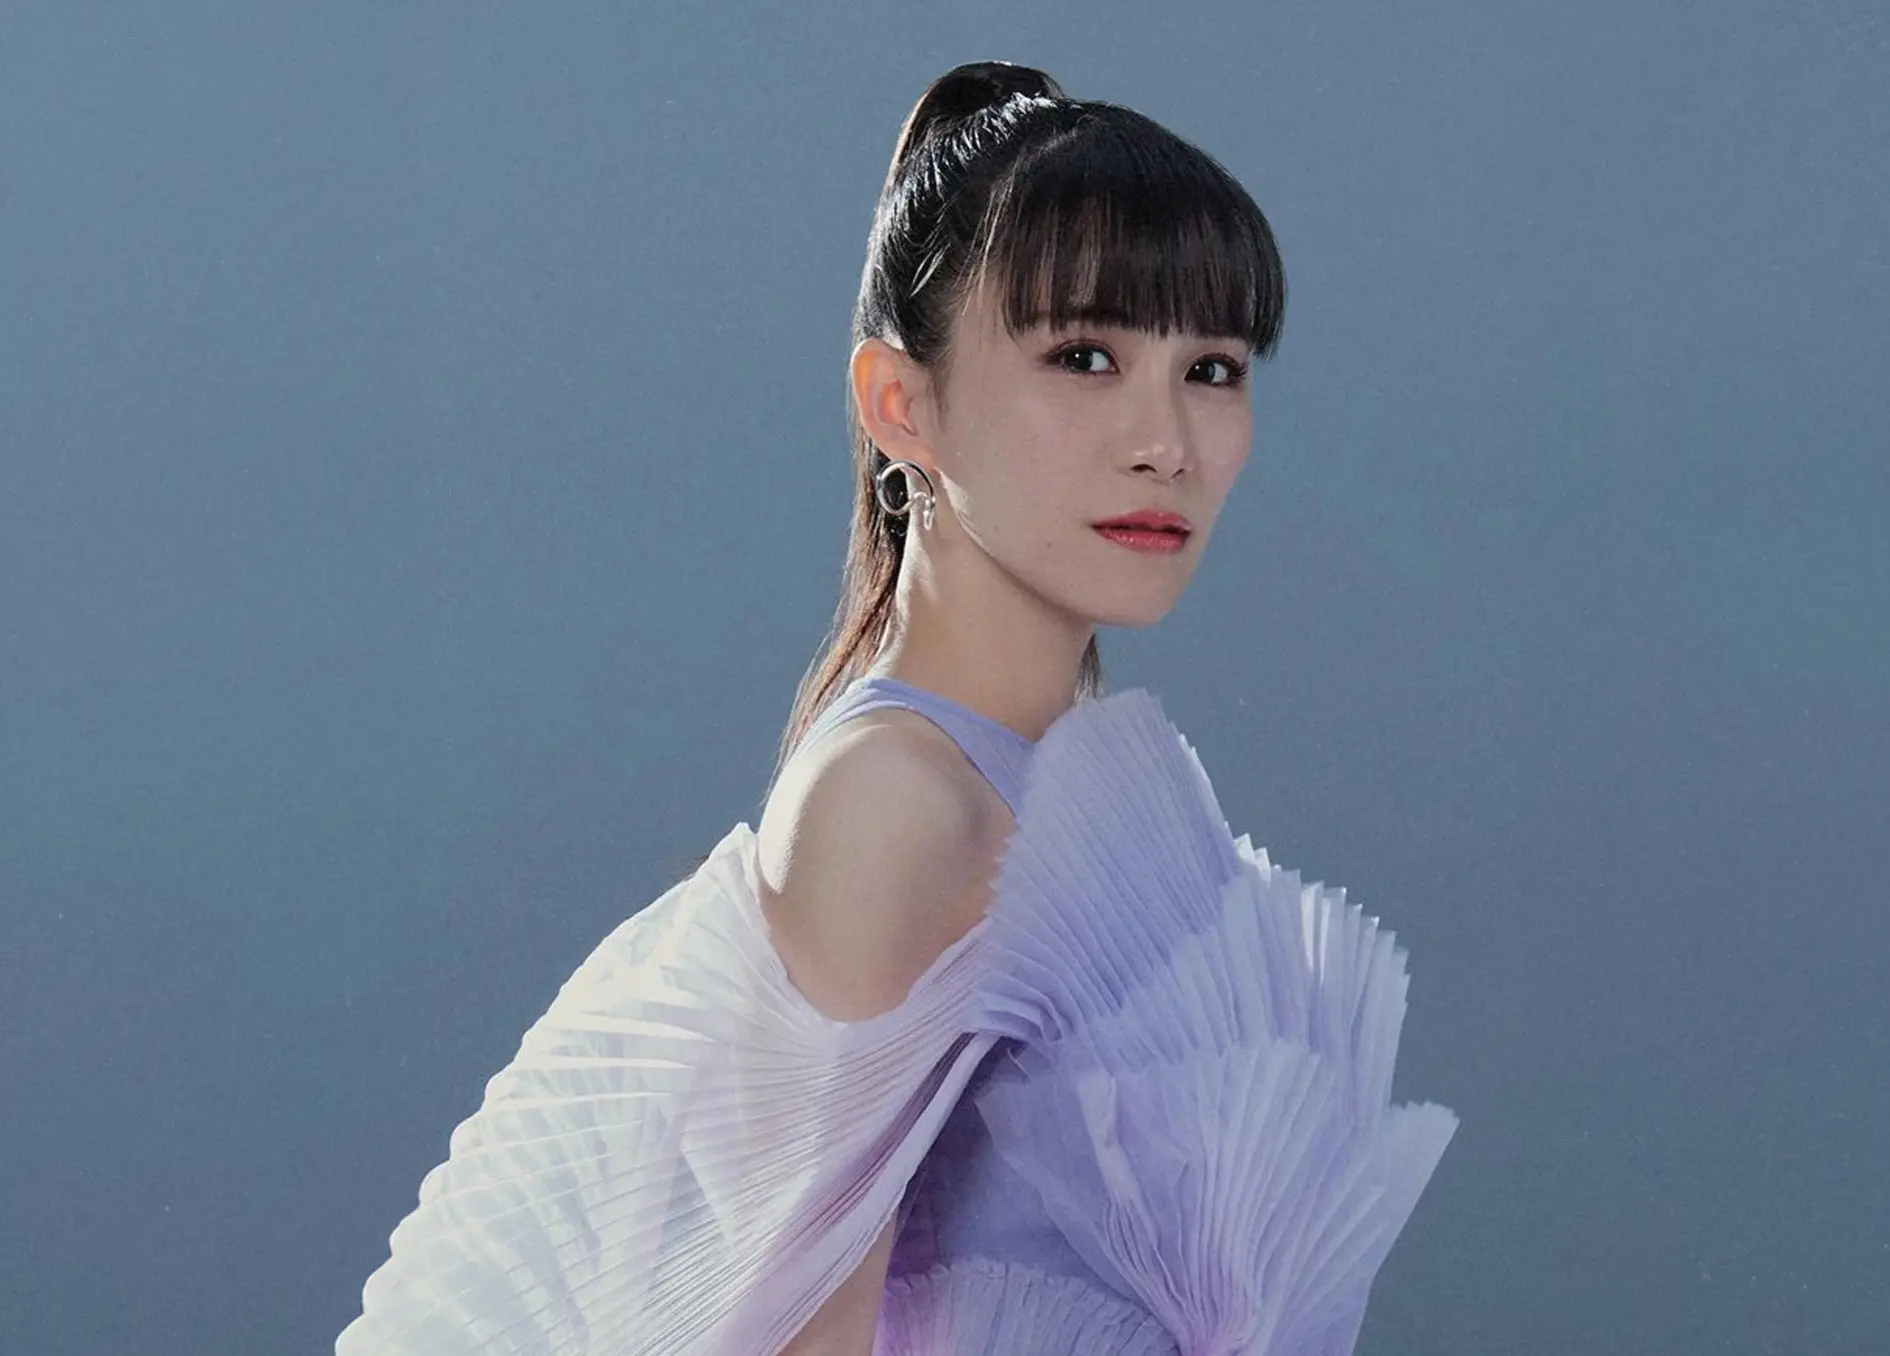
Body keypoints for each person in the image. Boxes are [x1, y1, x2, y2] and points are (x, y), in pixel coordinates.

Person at [337, 61, 1455, 1356]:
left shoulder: (1070, 788)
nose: (1167, 442)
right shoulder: (892, 802)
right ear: (900, 404)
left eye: (1212, 367)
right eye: (1085, 356)